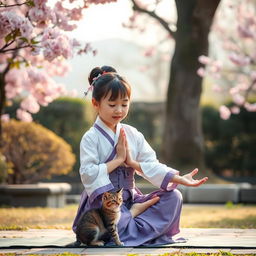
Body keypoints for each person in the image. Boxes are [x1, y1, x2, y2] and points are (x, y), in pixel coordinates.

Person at [72, 65, 208, 246]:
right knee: (110, 224)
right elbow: (88, 173)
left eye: (124, 104)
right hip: (103, 206)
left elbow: (151, 163)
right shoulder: (91, 137)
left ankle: (131, 215)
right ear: (96, 103)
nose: (119, 110)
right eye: (112, 105)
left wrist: (177, 178)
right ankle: (133, 215)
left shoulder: (132, 133)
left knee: (174, 197)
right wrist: (118, 160)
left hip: (129, 197)